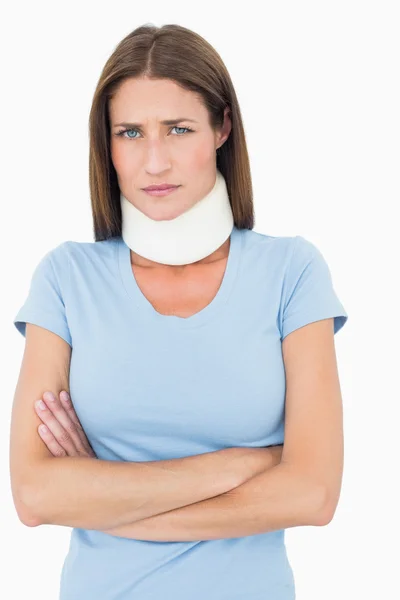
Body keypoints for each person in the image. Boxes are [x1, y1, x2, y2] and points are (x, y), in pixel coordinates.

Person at [10, 23, 348, 600]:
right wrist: (247, 463)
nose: (155, 160)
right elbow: (36, 495)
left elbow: (312, 495)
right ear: (107, 144)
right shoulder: (67, 279)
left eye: (179, 129)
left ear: (223, 128)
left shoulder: (291, 272)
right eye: (131, 132)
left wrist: (105, 499)